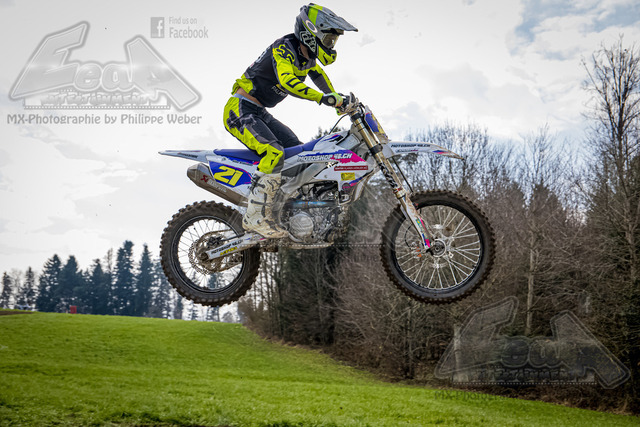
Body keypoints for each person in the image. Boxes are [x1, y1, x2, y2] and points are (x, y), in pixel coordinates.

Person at [223, 3, 357, 238]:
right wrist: (323, 98)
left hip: (259, 112)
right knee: (274, 152)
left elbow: (319, 77)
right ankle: (255, 216)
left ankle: (283, 208)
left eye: (333, 41)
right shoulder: (283, 48)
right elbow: (287, 82)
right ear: (311, 33)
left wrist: (337, 100)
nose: (331, 45)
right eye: (328, 39)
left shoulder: (307, 58)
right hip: (240, 109)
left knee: (300, 155)